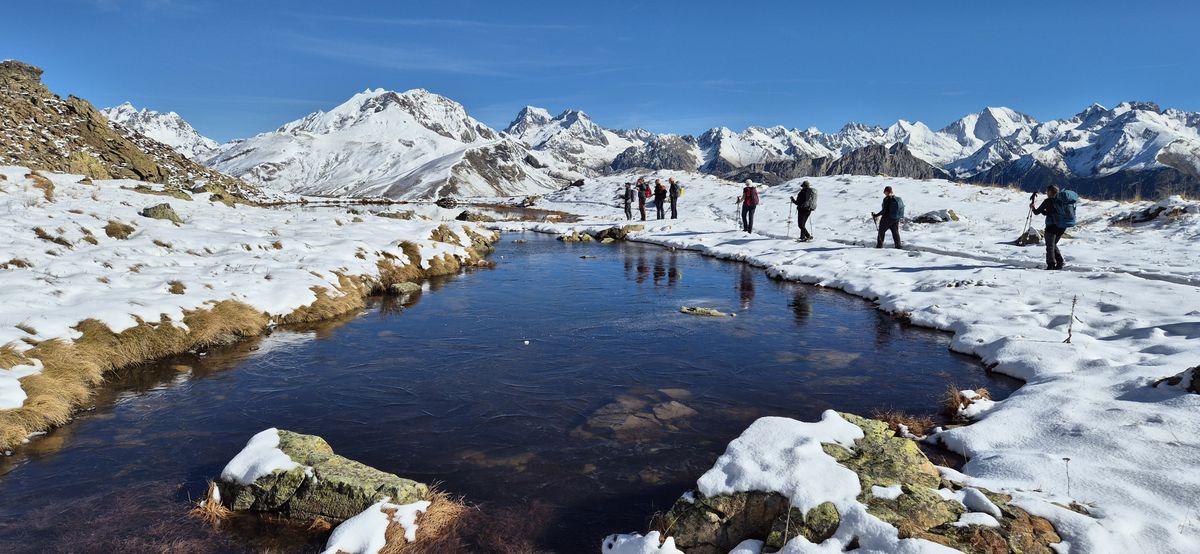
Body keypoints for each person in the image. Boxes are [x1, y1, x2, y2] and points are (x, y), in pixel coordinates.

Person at [1031, 184, 1078, 270]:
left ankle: (1051, 265)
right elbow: (1051, 212)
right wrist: (1045, 212)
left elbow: (1036, 212)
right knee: (1053, 244)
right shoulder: (1063, 202)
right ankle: (1060, 262)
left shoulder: (1048, 201)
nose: (1046, 193)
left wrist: (1033, 207)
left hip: (1051, 227)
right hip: (1062, 226)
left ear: (1049, 192)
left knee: (1050, 246)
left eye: (1047, 191)